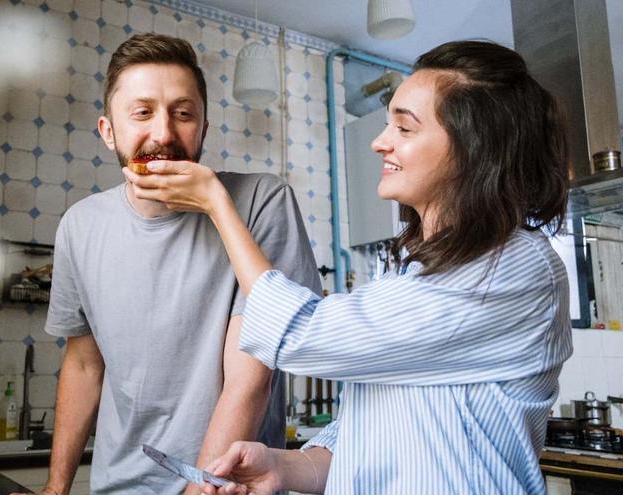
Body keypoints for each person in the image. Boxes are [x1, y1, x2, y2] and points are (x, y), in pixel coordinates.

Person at [124, 40, 573, 494]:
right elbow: (363, 440)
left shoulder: (514, 268)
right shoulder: (410, 270)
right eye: (386, 126)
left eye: (405, 128)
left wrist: (218, 206)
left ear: (474, 147)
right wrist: (279, 466)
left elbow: (302, 335)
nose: (380, 143)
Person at [37, 33, 321, 494]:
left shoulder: (263, 202)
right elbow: (84, 364)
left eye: (183, 114)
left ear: (204, 128)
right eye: (143, 112)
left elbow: (249, 380)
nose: (164, 134)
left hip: (226, 488)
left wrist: (199, 489)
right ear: (109, 130)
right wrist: (56, 486)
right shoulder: (78, 226)